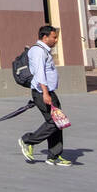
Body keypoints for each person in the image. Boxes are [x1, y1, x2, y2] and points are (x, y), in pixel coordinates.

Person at [19, 25, 71, 166]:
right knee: (54, 122)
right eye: (54, 37)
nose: (56, 40)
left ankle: (54, 155)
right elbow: (40, 73)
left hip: (48, 92)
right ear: (45, 37)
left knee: (58, 122)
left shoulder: (44, 51)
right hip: (42, 93)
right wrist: (46, 93)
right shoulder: (38, 51)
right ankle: (28, 140)